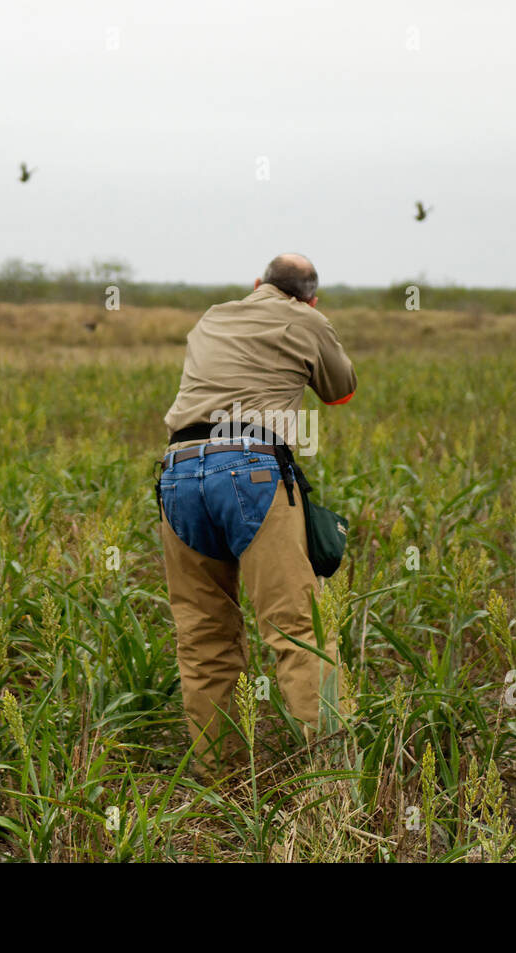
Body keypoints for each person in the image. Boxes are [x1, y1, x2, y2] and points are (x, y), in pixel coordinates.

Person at [157, 253, 357, 776]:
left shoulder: (213, 316)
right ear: (312, 298)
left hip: (178, 471)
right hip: (251, 468)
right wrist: (314, 323)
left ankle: (216, 777)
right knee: (298, 628)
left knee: (202, 634)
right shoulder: (309, 319)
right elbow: (342, 391)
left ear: (256, 285)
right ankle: (334, 779)